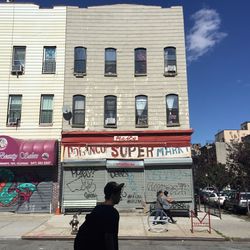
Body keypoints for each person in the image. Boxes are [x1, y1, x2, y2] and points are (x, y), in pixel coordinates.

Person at [74, 181, 124, 250]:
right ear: (112, 195)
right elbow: (109, 238)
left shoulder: (98, 208)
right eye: (118, 194)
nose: (120, 196)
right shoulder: (112, 213)